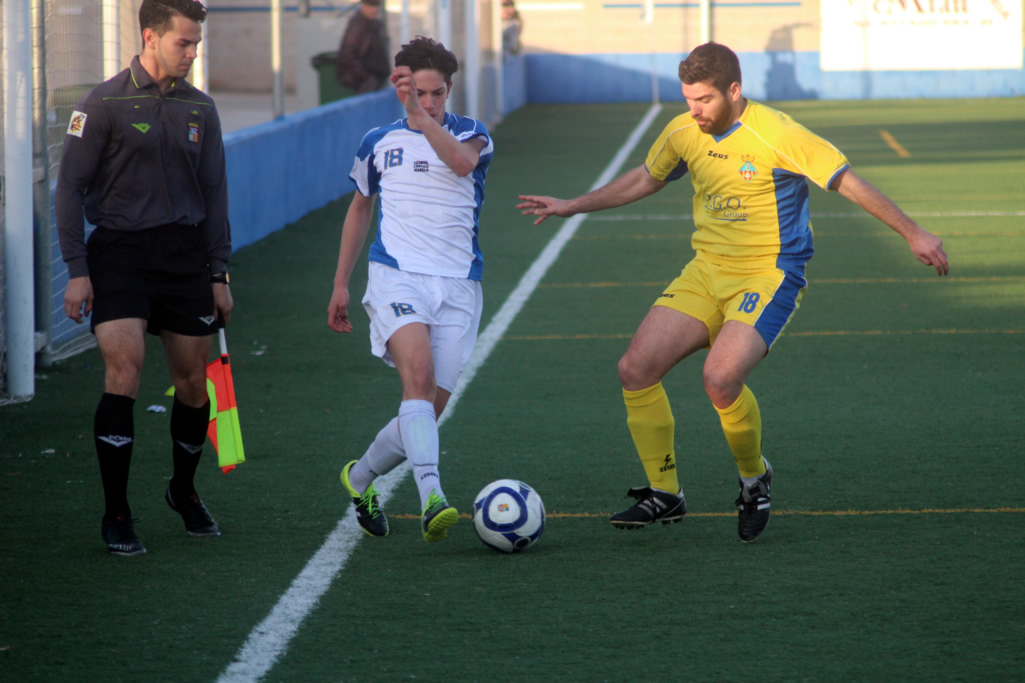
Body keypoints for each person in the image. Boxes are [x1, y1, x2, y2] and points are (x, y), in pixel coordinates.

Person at [518, 42, 948, 542]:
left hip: (769, 273)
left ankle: (753, 480)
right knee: (635, 370)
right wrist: (572, 205)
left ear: (734, 90)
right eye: (688, 99)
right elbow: (646, 178)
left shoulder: (778, 134)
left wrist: (913, 233)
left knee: (720, 379)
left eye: (703, 99)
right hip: (706, 271)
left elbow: (848, 182)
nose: (694, 110)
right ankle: (666, 493)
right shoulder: (683, 131)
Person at [56, 0, 233, 556]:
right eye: (184, 42)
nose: (193, 52)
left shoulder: (201, 107)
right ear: (150, 37)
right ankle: (117, 512)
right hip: (119, 253)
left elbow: (215, 193)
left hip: (184, 255)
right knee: (124, 369)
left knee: (192, 382)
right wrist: (77, 270)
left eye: (197, 42)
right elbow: (69, 189)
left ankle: (183, 490)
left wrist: (219, 272)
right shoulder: (101, 103)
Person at [327, 36, 494, 543]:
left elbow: (461, 164)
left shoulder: (473, 134)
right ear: (402, 89)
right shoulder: (378, 141)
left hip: (459, 286)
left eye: (437, 93)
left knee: (425, 412)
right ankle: (432, 498)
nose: (429, 102)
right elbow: (361, 208)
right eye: (419, 93)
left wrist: (423, 120)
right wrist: (340, 283)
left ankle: (360, 478)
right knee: (417, 381)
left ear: (450, 89)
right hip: (397, 276)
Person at [335, 0, 391, 95]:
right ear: (363, 6)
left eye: (376, 6)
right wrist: (364, 76)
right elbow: (347, 55)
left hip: (378, 78)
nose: (375, 9)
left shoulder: (375, 24)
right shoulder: (357, 25)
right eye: (371, 5)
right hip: (366, 81)